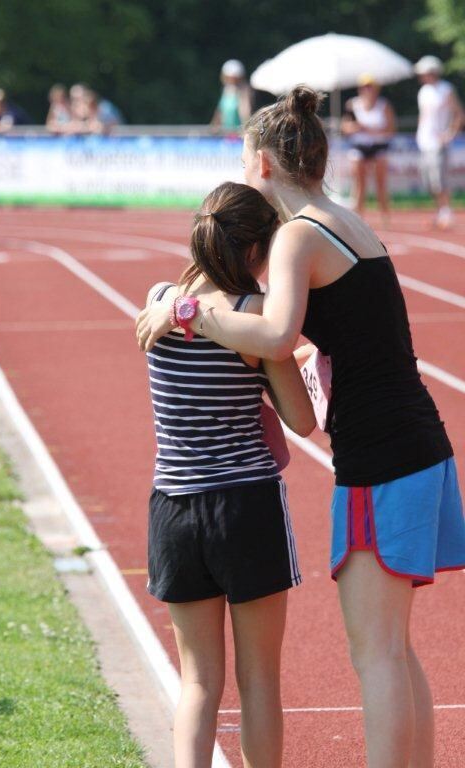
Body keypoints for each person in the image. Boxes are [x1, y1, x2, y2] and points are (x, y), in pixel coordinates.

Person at [136, 86, 465, 768]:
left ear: (260, 162)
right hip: (418, 444)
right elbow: (341, 334)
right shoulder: (347, 220)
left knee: (374, 652)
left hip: (380, 456)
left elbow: (277, 336)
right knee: (394, 647)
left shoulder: (295, 236)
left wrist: (185, 310)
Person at [144, 180, 315, 767]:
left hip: (173, 506)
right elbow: (303, 421)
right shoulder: (255, 316)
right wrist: (287, 366)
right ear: (252, 253)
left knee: (197, 683)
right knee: (259, 680)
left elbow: (154, 329)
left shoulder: (162, 300)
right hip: (244, 504)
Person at [414, 55, 464, 229]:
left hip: (438, 143)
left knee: (439, 180)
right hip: (424, 142)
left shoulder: (446, 89)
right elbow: (423, 116)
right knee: (428, 181)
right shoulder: (423, 92)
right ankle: (441, 211)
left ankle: (446, 213)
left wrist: (449, 134)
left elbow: (459, 114)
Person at [341, 74, 396, 221]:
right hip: (359, 146)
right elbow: (345, 127)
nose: (368, 90)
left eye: (370, 87)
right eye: (365, 87)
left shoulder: (384, 105)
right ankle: (358, 217)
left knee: (380, 182)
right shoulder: (352, 104)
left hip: (379, 146)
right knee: (359, 183)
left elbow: (390, 130)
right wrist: (356, 127)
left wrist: (371, 130)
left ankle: (385, 216)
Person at [211, 59, 252, 132]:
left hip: (238, 134)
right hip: (225, 133)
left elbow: (245, 113)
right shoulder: (226, 90)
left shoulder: (244, 91)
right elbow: (220, 111)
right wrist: (214, 127)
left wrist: (245, 130)